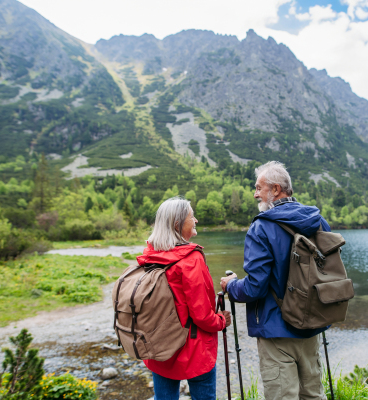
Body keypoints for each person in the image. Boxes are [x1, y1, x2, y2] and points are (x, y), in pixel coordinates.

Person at [220, 161, 330, 400]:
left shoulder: (262, 227)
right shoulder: (318, 221)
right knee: (313, 394)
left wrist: (232, 287)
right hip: (312, 323)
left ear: (276, 189)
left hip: (276, 329)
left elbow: (255, 287)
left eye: (259, 187)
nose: (255, 193)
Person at [138, 197, 231, 400]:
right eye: (192, 216)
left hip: (160, 344)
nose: (196, 220)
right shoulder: (191, 260)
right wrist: (222, 320)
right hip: (193, 349)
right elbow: (202, 315)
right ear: (178, 224)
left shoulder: (150, 254)